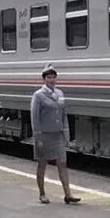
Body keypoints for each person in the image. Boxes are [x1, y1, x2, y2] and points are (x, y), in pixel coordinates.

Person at [30, 65, 81, 205]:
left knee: (62, 164)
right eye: (49, 77)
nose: (52, 80)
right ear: (44, 79)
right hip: (44, 136)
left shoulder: (60, 94)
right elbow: (35, 118)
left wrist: (66, 135)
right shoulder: (38, 95)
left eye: (53, 77)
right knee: (42, 164)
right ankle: (42, 193)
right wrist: (38, 138)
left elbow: (64, 115)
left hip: (57, 135)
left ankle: (68, 194)